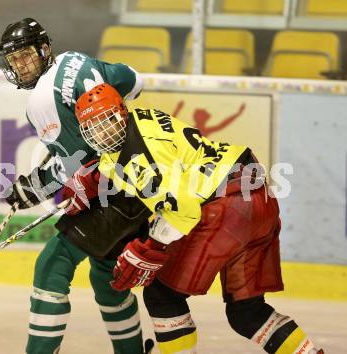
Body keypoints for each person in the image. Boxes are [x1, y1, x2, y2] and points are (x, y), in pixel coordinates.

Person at [66, 83, 325, 354]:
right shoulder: (141, 117)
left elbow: (183, 210)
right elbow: (135, 161)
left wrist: (150, 248)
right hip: (256, 194)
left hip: (225, 209)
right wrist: (97, 177)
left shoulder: (143, 158)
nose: (103, 132)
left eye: (107, 120)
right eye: (93, 127)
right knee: (247, 313)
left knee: (162, 296)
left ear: (121, 112)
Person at [0, 18, 153, 354]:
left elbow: (73, 161)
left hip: (114, 194)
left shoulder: (40, 100)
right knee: (107, 279)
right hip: (140, 183)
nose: (21, 66)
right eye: (14, 60)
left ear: (43, 49)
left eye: (25, 55)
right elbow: (136, 81)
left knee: (53, 266)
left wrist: (36, 186)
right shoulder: (77, 60)